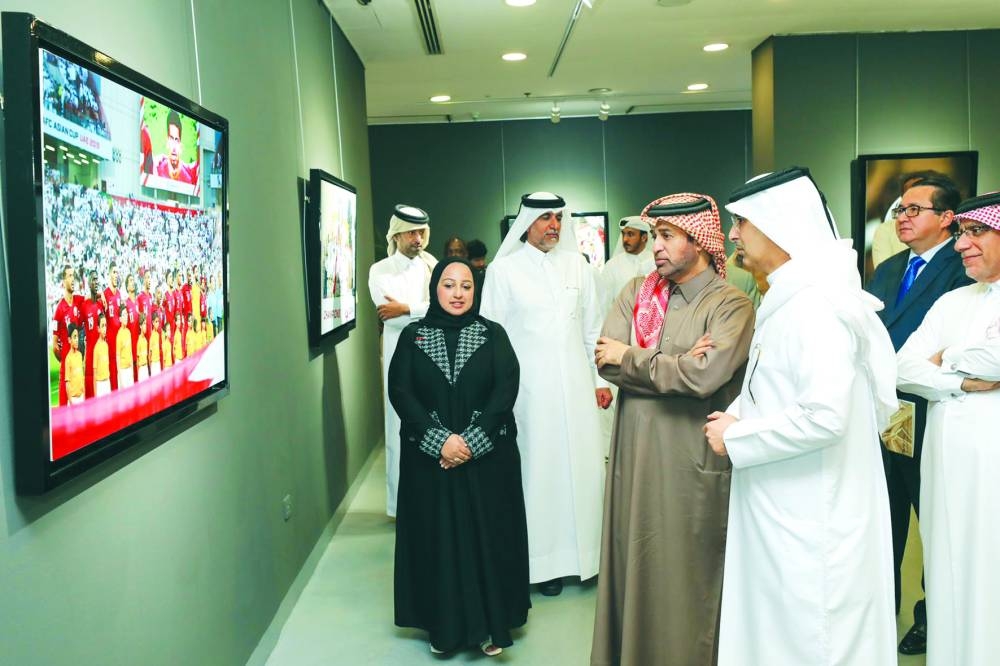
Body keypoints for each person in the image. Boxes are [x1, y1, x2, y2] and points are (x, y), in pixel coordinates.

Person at [703, 167, 898, 665]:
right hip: (783, 504)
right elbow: (773, 384)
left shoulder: (815, 306)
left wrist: (739, 436)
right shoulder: (790, 296)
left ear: (778, 224)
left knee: (815, 637)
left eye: (741, 223)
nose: (731, 235)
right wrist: (736, 413)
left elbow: (823, 417)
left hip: (813, 517)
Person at [591, 194, 755, 666]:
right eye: (654, 236)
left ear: (699, 240)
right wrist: (675, 365)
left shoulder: (730, 304)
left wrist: (636, 360)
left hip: (689, 467)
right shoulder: (636, 292)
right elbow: (607, 361)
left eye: (666, 236)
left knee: (686, 579)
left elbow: (705, 376)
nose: (655, 247)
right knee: (633, 568)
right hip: (633, 460)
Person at [389, 257, 529, 657]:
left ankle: (489, 624)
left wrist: (468, 443)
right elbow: (401, 393)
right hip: (429, 463)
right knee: (439, 540)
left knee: (487, 537)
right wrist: (440, 442)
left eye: (466, 286)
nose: (457, 294)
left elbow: (505, 392)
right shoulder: (413, 336)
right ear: (435, 289)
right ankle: (442, 627)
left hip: (487, 461)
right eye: (449, 285)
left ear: (476, 291)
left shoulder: (493, 334)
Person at [479, 192, 611, 596]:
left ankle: (588, 557)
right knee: (539, 476)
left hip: (576, 391)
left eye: (558, 218)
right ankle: (543, 565)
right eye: (544, 218)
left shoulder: (578, 266)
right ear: (527, 223)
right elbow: (491, 339)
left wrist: (601, 381)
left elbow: (593, 332)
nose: (553, 225)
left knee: (585, 471)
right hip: (528, 397)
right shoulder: (504, 271)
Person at [864, 173, 971, 655]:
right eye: (899, 211)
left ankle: (931, 616)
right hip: (883, 410)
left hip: (937, 412)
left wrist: (925, 363)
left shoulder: (964, 267)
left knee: (934, 518)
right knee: (882, 516)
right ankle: (880, 610)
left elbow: (959, 348)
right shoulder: (886, 269)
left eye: (914, 209)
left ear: (947, 219)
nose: (902, 218)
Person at [896, 190, 1000, 666]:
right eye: (961, 233)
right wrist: (961, 379)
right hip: (943, 466)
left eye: (977, 232)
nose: (962, 244)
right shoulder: (953, 301)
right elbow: (902, 368)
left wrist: (945, 358)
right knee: (947, 568)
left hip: (990, 469)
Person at [368, 205, 438, 517]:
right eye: (410, 232)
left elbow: (442, 305)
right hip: (398, 352)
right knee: (399, 424)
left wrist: (408, 309)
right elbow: (388, 314)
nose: (417, 238)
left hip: (433, 350)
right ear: (396, 235)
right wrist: (419, 308)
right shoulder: (380, 270)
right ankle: (401, 506)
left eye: (421, 232)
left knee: (434, 420)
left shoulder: (433, 266)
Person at [597, 216, 655, 315]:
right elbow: (604, 303)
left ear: (644, 237)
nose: (625, 239)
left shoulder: (656, 262)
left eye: (630, 234)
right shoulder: (612, 265)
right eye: (623, 234)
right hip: (620, 324)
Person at [52, 265, 84, 406]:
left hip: (77, 369)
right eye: (69, 276)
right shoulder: (59, 310)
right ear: (63, 281)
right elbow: (54, 347)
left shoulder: (78, 301)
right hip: (66, 372)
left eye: (74, 275)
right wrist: (65, 359)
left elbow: (91, 298)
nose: (73, 279)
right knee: (65, 411)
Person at [81, 270, 105, 398]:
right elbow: (78, 328)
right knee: (90, 398)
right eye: (93, 280)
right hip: (90, 361)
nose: (96, 282)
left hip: (102, 360)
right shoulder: (84, 306)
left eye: (97, 279)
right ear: (89, 283)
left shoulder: (102, 304)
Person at [104, 264, 123, 390]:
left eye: (117, 272)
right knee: (113, 377)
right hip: (110, 343)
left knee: (121, 374)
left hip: (120, 341)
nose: (116, 275)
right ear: (110, 274)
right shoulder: (105, 294)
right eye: (114, 272)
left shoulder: (119, 294)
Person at [64, 323, 85, 405]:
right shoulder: (68, 359)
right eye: (74, 337)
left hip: (81, 397)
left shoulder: (80, 355)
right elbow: (67, 383)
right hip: (73, 400)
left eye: (77, 336)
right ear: (69, 340)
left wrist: (83, 393)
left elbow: (81, 377)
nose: (77, 339)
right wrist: (71, 402)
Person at [116, 304, 134, 390]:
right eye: (123, 315)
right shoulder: (119, 336)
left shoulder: (128, 332)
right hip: (122, 372)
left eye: (126, 314)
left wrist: (132, 371)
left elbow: (130, 353)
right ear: (120, 319)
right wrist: (120, 378)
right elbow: (118, 357)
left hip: (129, 370)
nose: (126, 316)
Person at [93, 314, 111, 397]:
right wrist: (96, 394)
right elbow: (95, 374)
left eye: (105, 325)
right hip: (100, 385)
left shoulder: (106, 345)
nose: (104, 329)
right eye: (102, 326)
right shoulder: (96, 348)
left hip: (107, 383)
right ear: (98, 329)